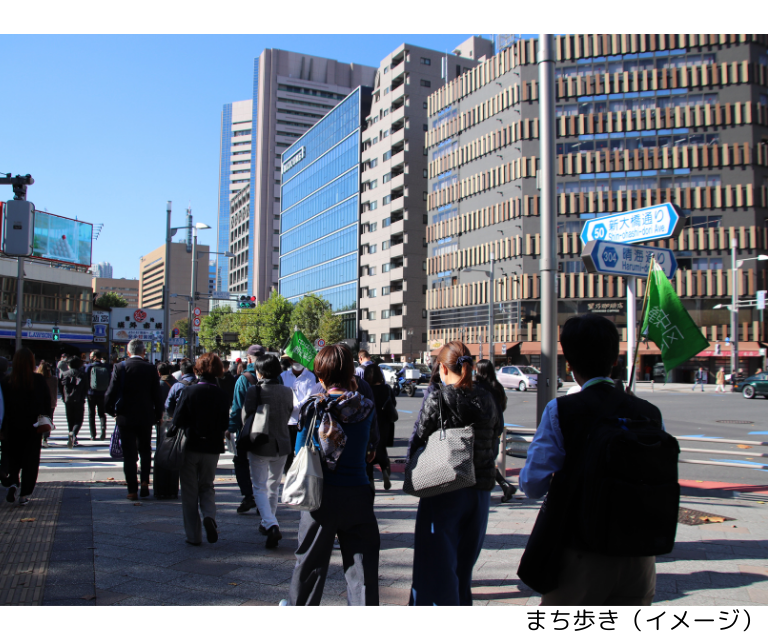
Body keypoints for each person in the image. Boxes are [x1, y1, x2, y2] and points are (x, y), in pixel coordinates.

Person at [519, 314, 663, 605]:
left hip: (581, 552)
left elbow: (532, 484)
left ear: (569, 364)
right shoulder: (649, 412)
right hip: (640, 555)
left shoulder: (561, 410)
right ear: (614, 359)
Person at [406, 341, 501, 606]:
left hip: (444, 489)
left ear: (443, 369)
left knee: (433, 570)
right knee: (462, 570)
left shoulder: (440, 396)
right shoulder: (488, 398)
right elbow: (495, 438)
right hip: (480, 491)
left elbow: (419, 437)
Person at [286, 344, 379, 606]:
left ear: (320, 375)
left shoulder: (313, 407)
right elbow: (370, 450)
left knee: (309, 567)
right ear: (351, 372)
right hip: (358, 494)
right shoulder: (366, 407)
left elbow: (299, 452)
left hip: (320, 496)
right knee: (362, 572)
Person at [173, 353, 229, 545]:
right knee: (207, 485)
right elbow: (224, 423)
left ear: (197, 370)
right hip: (212, 447)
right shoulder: (222, 395)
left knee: (189, 491)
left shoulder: (189, 392)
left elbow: (177, 420)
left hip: (191, 445)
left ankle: (193, 536)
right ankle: (209, 516)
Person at [242, 354, 295, 548]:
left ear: (261, 372)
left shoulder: (254, 391)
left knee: (259, 486)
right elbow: (289, 413)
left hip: (259, 443)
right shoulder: (287, 391)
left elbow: (246, 417)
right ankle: (268, 522)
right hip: (282, 443)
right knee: (274, 485)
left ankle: (271, 523)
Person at [105, 339, 163, 500]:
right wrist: (159, 415)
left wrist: (110, 411)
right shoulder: (151, 368)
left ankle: (132, 489)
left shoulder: (120, 367)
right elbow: (157, 395)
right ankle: (145, 481)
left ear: (128, 352)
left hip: (125, 416)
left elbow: (111, 392)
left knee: (129, 454)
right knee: (145, 450)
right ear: (143, 352)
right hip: (146, 416)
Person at [0, 348, 52, 505]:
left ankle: (13, 483)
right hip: (33, 427)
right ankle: (25, 494)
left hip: (11, 427)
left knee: (13, 458)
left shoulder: (7, 381)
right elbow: (47, 403)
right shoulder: (38, 380)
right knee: (31, 461)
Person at [228, 344, 265, 514]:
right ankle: (263, 498)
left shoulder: (244, 379)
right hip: (268, 429)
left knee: (241, 461)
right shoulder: (277, 378)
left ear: (249, 359)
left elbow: (237, 408)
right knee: (264, 464)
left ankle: (248, 495)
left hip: (246, 429)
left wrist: (232, 427)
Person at [475, 359, 517, 503]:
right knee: (487, 461)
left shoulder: (481, 388)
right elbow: (503, 405)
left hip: (485, 430)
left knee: (483, 461)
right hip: (497, 427)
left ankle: (504, 486)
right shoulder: (497, 386)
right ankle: (506, 486)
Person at [363, 362, 396, 491]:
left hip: (370, 422)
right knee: (381, 446)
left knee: (369, 450)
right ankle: (385, 470)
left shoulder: (366, 389)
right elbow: (393, 403)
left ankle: (370, 478)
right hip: (385, 422)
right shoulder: (386, 388)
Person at [281, 354, 316, 472]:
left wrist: (297, 406)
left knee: (302, 449)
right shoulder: (283, 376)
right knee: (287, 450)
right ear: (290, 361)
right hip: (287, 419)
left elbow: (309, 395)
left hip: (303, 418)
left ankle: (300, 472)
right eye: (294, 359)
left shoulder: (310, 377)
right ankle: (288, 472)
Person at [60, 356, 89, 448]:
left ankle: (71, 435)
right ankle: (74, 434)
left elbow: (61, 387)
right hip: (79, 399)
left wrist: (64, 396)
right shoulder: (82, 374)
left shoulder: (65, 374)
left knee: (70, 419)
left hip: (68, 399)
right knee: (79, 420)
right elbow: (86, 387)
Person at [84, 351, 110, 440]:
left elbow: (86, 379)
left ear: (94, 357)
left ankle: (93, 434)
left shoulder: (90, 366)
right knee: (102, 413)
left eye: (91, 356)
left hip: (91, 393)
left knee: (91, 414)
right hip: (103, 393)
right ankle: (103, 429)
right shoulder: (106, 366)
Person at [36, 361, 58, 448]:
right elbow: (55, 392)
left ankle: (40, 436)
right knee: (48, 419)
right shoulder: (53, 379)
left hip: (38, 402)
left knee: (38, 419)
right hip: (50, 402)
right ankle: (45, 438)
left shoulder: (37, 378)